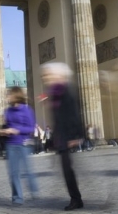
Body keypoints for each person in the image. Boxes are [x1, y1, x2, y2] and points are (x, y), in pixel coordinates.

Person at [41, 62, 84, 211]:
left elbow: (74, 114)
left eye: (48, 75)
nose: (45, 78)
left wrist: (76, 135)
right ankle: (76, 198)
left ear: (58, 75)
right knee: (68, 170)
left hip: (68, 136)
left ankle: (76, 199)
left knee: (68, 170)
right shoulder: (55, 93)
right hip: (62, 136)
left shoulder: (65, 92)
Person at [0, 86, 39, 205]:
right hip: (11, 144)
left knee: (27, 171)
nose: (7, 97)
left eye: (9, 95)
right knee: (13, 173)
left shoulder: (27, 110)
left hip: (24, 144)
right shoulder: (7, 111)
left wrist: (17, 130)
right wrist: (4, 131)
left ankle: (34, 190)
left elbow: (31, 127)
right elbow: (6, 126)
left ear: (16, 96)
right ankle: (17, 198)